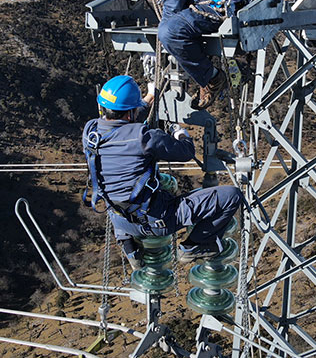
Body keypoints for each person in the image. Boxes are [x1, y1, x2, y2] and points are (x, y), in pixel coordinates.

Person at [83, 74, 244, 269]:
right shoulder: (143, 138)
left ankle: (129, 247)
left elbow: (124, 119)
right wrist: (180, 133)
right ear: (129, 114)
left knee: (118, 191)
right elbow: (186, 152)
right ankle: (195, 245)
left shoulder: (90, 132)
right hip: (157, 220)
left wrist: (149, 97)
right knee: (232, 196)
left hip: (120, 219)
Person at [105, 0, 248, 110]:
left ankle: (213, 78)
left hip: (221, 3)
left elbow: (173, 5)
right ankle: (208, 75)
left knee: (169, 32)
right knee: (170, 30)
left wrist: (164, 37)